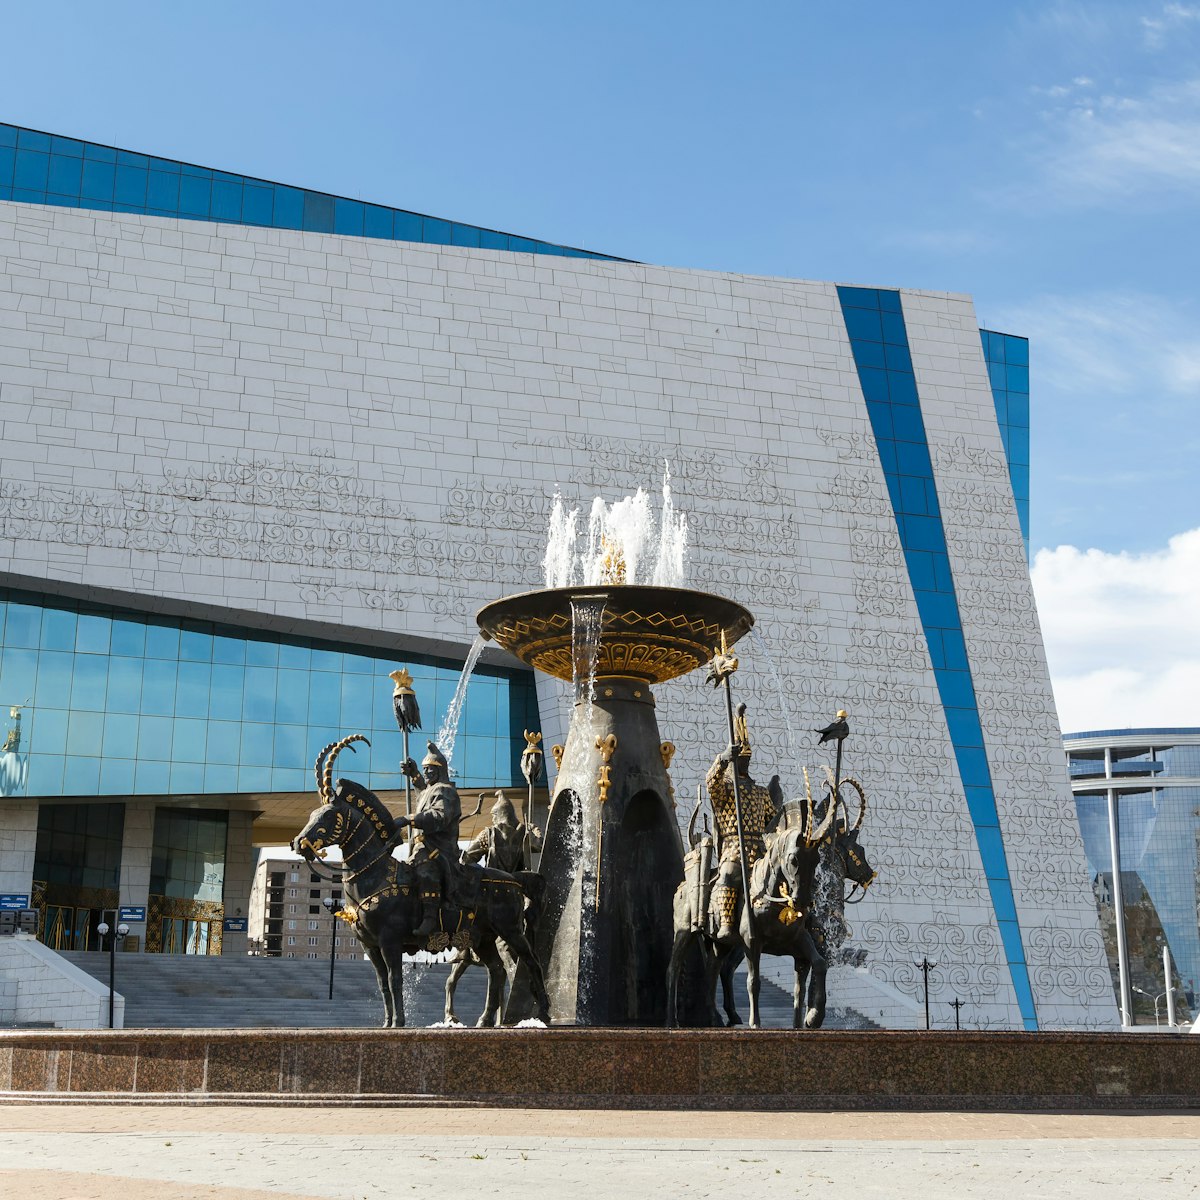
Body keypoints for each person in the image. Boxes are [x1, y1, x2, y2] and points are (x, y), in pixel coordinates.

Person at [705, 714, 781, 941]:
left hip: (759, 850)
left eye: (747, 760)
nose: (745, 763)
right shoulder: (725, 789)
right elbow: (711, 783)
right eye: (741, 760)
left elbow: (773, 821)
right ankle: (726, 923)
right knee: (729, 874)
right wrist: (722, 759)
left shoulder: (760, 792)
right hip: (733, 847)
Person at [397, 741, 462, 938]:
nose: (426, 772)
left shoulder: (446, 791)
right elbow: (423, 796)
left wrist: (408, 819)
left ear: (440, 771)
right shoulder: (432, 790)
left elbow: (438, 816)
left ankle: (430, 917)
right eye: (424, 769)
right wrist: (414, 774)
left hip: (439, 850)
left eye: (429, 769)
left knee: (426, 871)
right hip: (422, 848)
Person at [463, 790, 542, 874]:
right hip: (517, 881)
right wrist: (535, 829)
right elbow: (540, 845)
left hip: (495, 880)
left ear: (501, 814)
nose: (492, 820)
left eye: (493, 816)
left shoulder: (488, 834)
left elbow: (466, 859)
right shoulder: (524, 832)